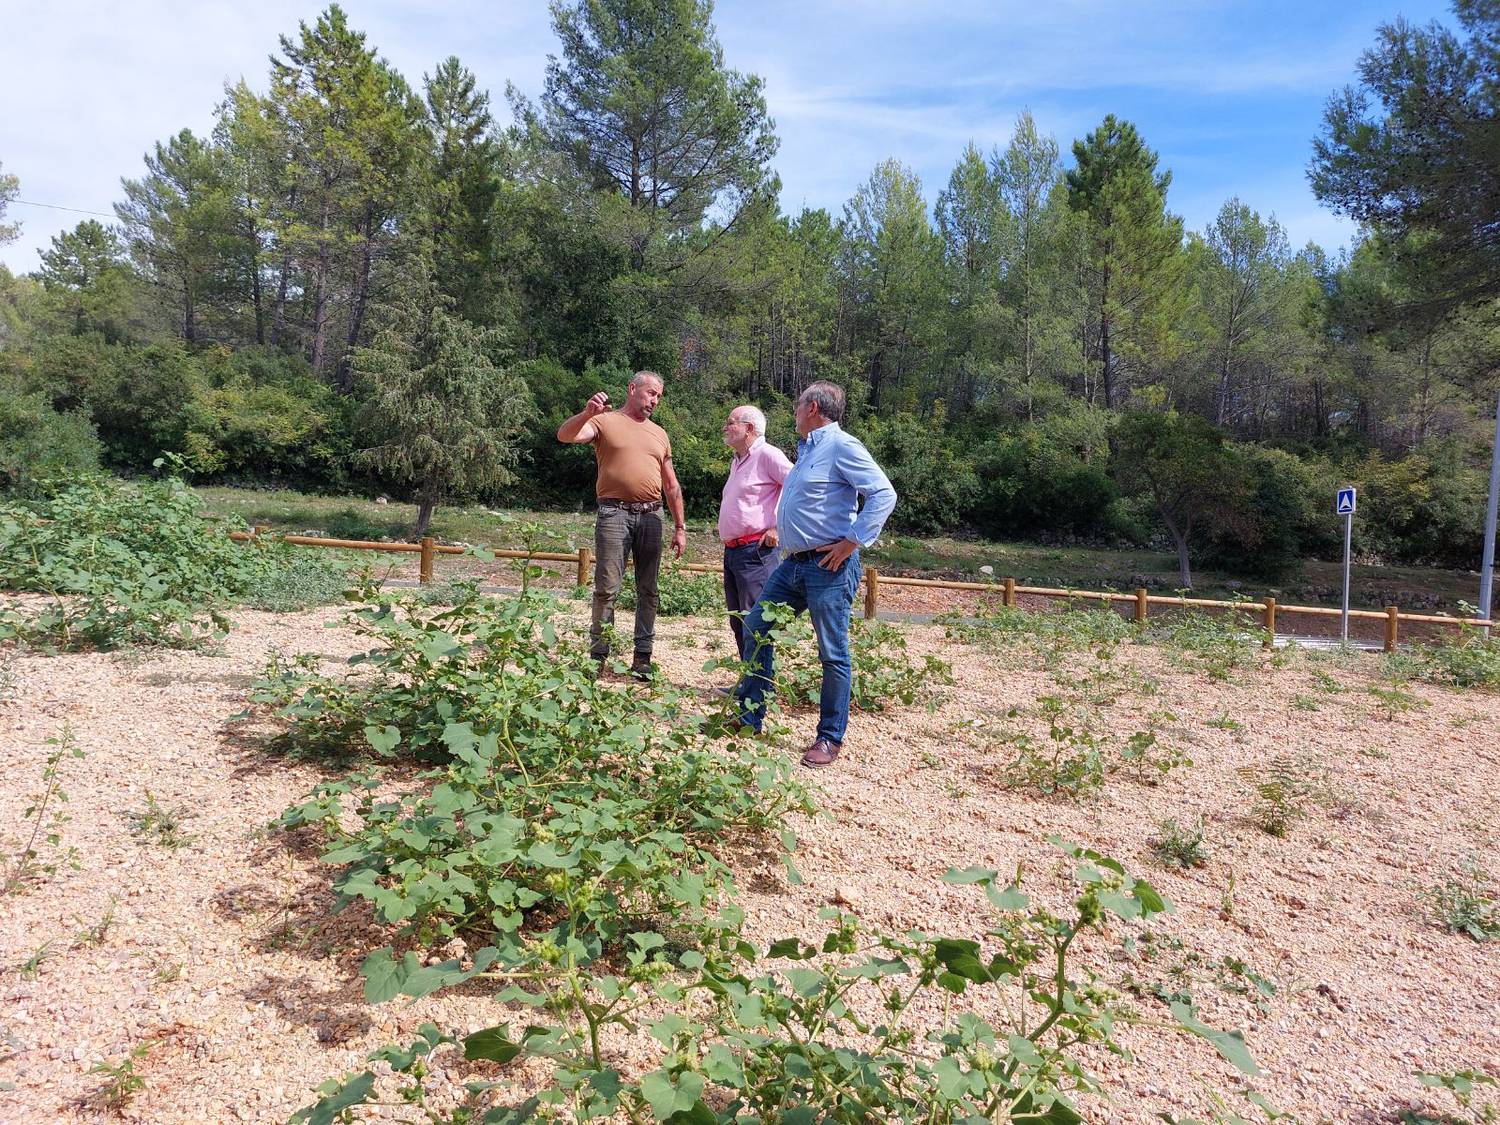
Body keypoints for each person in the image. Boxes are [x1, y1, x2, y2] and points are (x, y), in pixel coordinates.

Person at [732, 381, 896, 768]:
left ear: (814, 408)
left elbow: (883, 494)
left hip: (829, 565)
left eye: (799, 402)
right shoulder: (807, 451)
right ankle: (749, 719)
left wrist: (851, 542)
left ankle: (829, 738)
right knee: (756, 629)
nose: (794, 408)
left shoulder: (842, 446)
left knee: (832, 651)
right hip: (793, 563)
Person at [557, 371, 686, 679]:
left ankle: (642, 658)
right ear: (632, 389)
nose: (654, 400)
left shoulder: (660, 433)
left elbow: (671, 484)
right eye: (650, 393)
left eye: (658, 396)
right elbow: (565, 435)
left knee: (649, 590)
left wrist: (681, 527)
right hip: (614, 515)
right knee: (606, 589)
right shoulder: (605, 421)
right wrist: (587, 413)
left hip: (652, 517)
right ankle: (598, 657)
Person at [718, 404, 792, 658]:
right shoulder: (738, 460)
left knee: (756, 621)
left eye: (731, 422)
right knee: (739, 620)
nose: (725, 427)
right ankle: (748, 681)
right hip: (735, 551)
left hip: (756, 552)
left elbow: (796, 486)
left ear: (748, 428)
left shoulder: (768, 455)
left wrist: (777, 527)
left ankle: (758, 688)